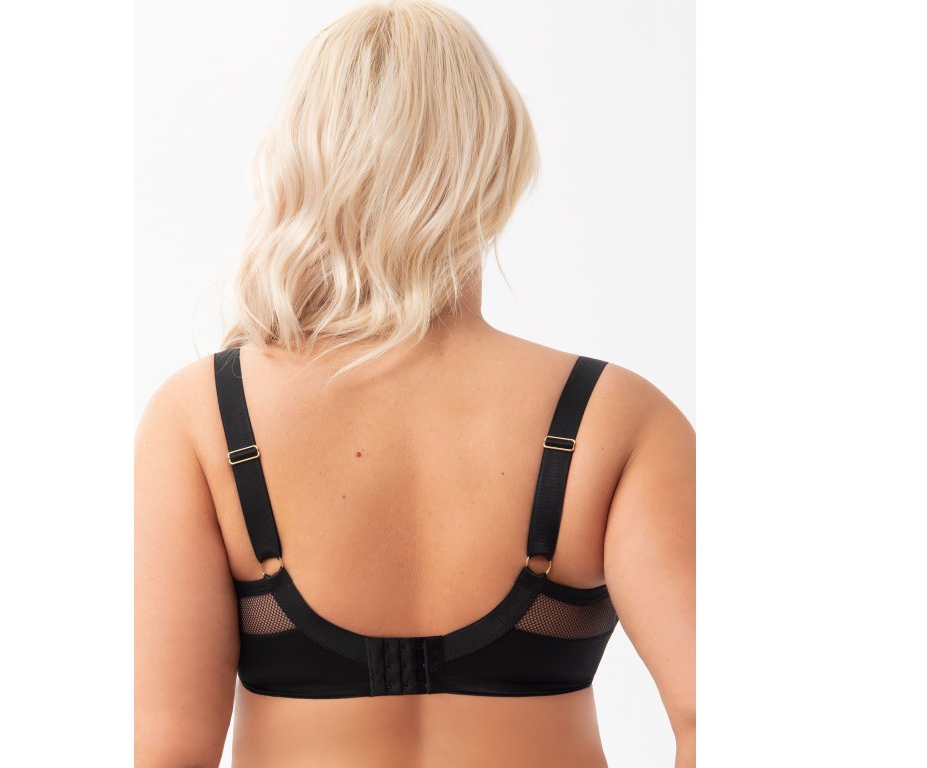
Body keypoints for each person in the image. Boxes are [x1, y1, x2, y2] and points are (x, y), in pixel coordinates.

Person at [135, 1, 695, 766]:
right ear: (495, 164)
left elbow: (169, 753)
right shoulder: (617, 420)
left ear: (305, 160)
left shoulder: (202, 418)